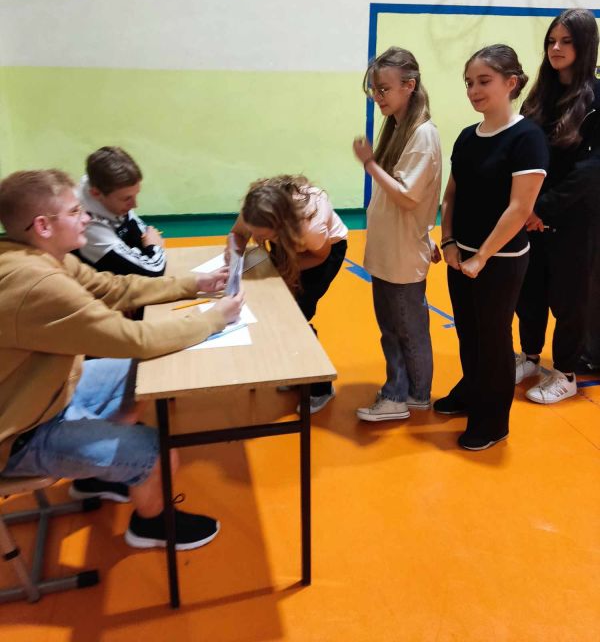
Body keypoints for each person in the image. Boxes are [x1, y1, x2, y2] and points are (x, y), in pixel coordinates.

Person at [0, 169, 243, 551]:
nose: (86, 217)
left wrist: (193, 284)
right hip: (19, 434)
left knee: (143, 375)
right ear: (43, 226)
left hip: (47, 395)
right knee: (157, 450)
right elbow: (133, 339)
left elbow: (113, 287)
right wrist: (213, 319)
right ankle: (151, 525)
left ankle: (95, 475)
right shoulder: (39, 284)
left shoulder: (35, 255)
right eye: (75, 211)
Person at [434, 45, 548, 450]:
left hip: (500, 260)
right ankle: (472, 390)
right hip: (461, 255)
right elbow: (452, 194)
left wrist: (482, 256)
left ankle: (494, 420)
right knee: (468, 331)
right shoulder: (468, 136)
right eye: (469, 83)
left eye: (484, 81)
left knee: (493, 336)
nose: (474, 90)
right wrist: (448, 240)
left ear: (510, 83)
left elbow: (520, 208)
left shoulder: (527, 138)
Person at [351, 47, 442, 422]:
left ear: (410, 85)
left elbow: (407, 195)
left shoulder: (422, 135)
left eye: (384, 88)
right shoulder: (396, 129)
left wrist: (370, 164)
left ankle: (404, 395)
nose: (378, 96)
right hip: (391, 250)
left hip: (402, 255)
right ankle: (406, 391)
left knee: (406, 330)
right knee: (392, 329)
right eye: (375, 89)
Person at [515, 8, 600, 403]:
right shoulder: (539, 96)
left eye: (566, 41)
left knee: (569, 299)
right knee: (528, 292)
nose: (556, 48)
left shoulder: (596, 99)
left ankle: (566, 373)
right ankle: (530, 357)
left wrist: (543, 208)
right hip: (530, 217)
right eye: (551, 41)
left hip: (574, 219)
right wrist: (524, 207)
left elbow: (590, 170)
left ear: (585, 46)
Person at [230, 175, 348, 413]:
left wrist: (281, 272)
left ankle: (321, 388)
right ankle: (299, 373)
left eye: (263, 236)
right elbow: (238, 235)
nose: (257, 240)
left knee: (297, 318)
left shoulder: (309, 227)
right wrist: (232, 261)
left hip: (321, 254)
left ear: (280, 225)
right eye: (255, 233)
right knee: (281, 314)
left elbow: (320, 255)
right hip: (289, 245)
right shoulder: (256, 208)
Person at [76, 146, 166, 277]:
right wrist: (155, 247)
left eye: (135, 195)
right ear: (96, 193)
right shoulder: (88, 227)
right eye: (127, 198)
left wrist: (148, 247)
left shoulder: (100, 185)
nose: (135, 205)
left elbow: (139, 236)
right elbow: (153, 271)